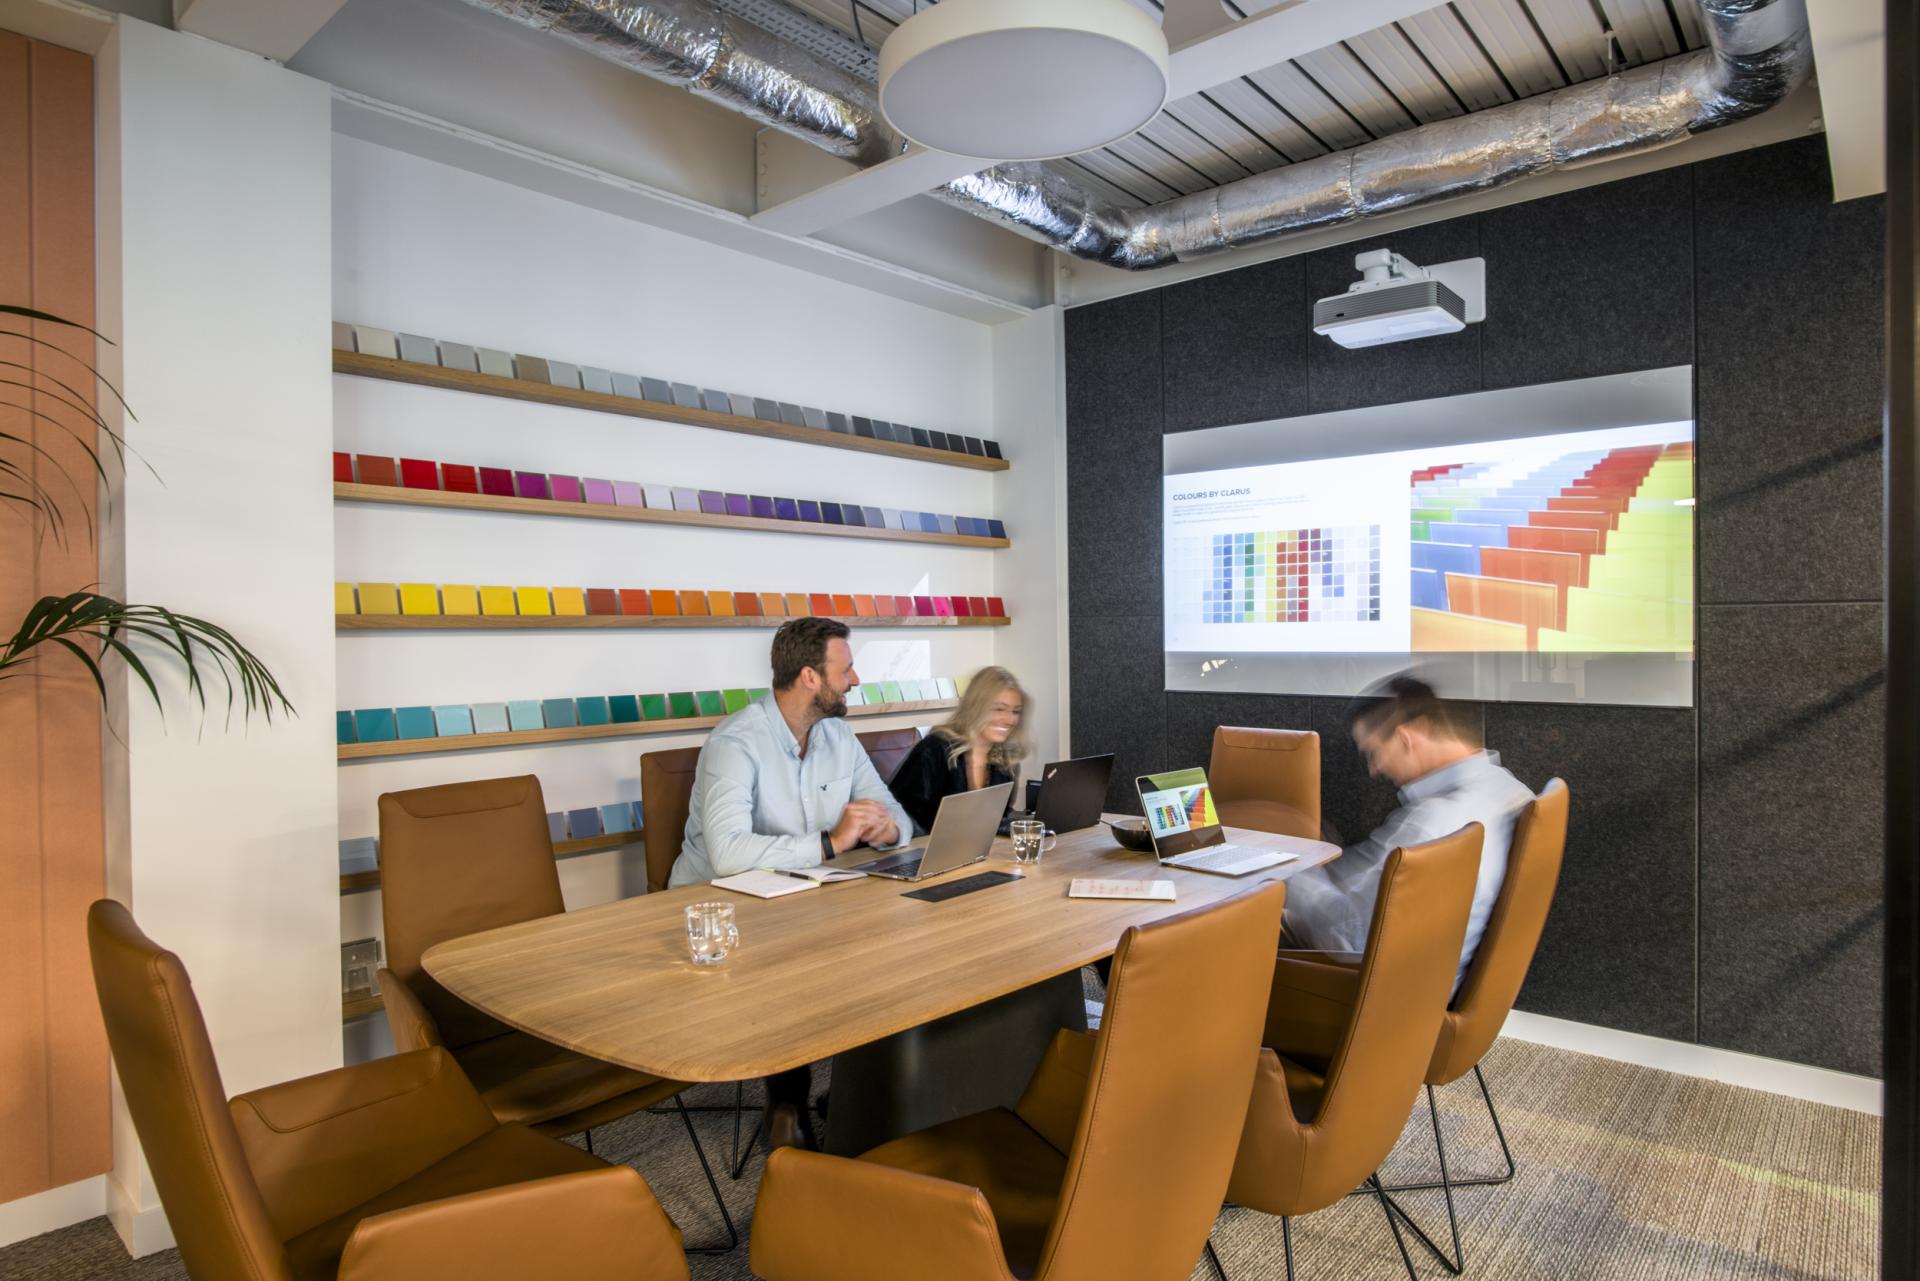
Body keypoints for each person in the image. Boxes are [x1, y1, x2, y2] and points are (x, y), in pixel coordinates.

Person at [670, 616, 913, 1149]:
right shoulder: (735, 742)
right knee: (795, 959)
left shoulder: (838, 736)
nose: (855, 680)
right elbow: (728, 854)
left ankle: (866, 1090)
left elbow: (895, 815)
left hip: (804, 896)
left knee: (891, 935)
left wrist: (887, 829)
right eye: (846, 670)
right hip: (718, 911)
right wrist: (830, 842)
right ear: (809, 676)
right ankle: (787, 1106)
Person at [1282, 675, 1534, 995]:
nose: (1374, 769)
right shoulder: (1507, 788)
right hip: (1442, 980)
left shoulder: (1430, 823)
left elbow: (1350, 938)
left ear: (1406, 738)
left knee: (1250, 927)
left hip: (1388, 997)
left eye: (1374, 752)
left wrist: (1290, 871)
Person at [887, 665, 1029, 834]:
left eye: (1015, 712)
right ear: (976, 706)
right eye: (999, 709)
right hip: (925, 847)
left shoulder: (1007, 760)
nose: (1009, 720)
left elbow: (996, 821)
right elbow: (900, 819)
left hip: (978, 848)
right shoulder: (934, 749)